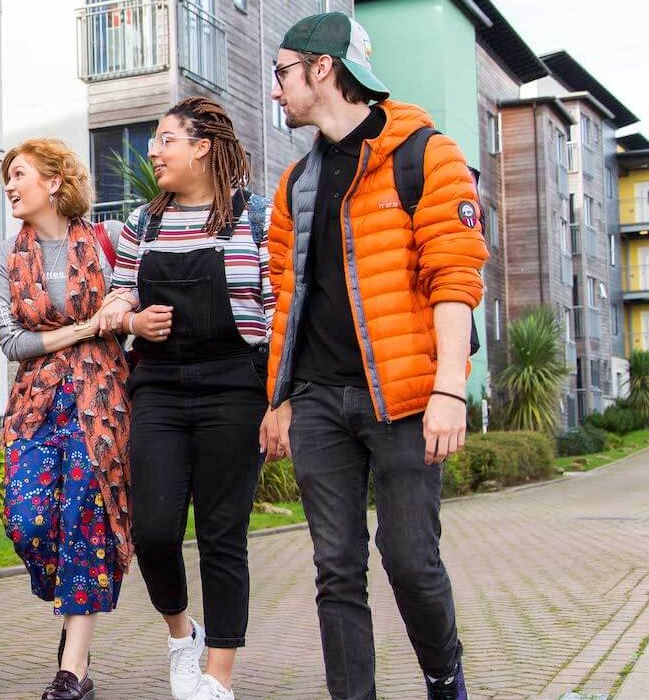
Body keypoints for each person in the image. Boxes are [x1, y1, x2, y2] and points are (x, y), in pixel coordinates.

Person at [262, 12, 488, 700]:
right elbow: (286, 300)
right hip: (321, 402)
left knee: (411, 559)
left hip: (407, 398)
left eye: (282, 74)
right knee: (335, 565)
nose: (276, 91)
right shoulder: (295, 185)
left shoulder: (427, 156)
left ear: (322, 69)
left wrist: (451, 389)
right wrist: (279, 400)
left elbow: (455, 276)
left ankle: (443, 674)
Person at [93, 96, 272, 700]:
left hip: (234, 388)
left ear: (203, 147)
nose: (154, 151)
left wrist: (279, 400)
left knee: (224, 533)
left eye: (166, 139)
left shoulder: (257, 219)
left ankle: (217, 677)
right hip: (161, 389)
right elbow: (117, 299)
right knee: (154, 532)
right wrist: (131, 321)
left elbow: (277, 311)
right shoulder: (142, 223)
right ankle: (180, 633)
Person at [0, 137, 133, 700]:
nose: (9, 184)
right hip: (35, 402)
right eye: (7, 176)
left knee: (85, 518)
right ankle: (77, 598)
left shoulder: (110, 241)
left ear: (54, 182)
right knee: (26, 520)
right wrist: (82, 328)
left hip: (100, 398)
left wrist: (120, 309)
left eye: (19, 173)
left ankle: (73, 665)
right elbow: (10, 340)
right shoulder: (3, 254)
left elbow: (132, 293)